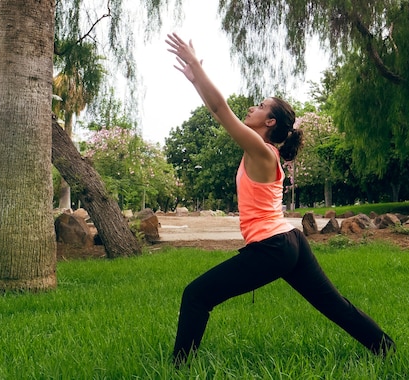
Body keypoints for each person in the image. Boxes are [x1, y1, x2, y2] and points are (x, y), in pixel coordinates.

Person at [165, 33, 394, 366]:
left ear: (269, 122)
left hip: (272, 248)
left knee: (196, 295)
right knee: (334, 305)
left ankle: (177, 368)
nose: (250, 108)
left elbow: (219, 108)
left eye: (259, 106)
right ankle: (386, 349)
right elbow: (216, 107)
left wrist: (197, 68)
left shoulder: (261, 151)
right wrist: (195, 79)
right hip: (289, 242)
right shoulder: (261, 151)